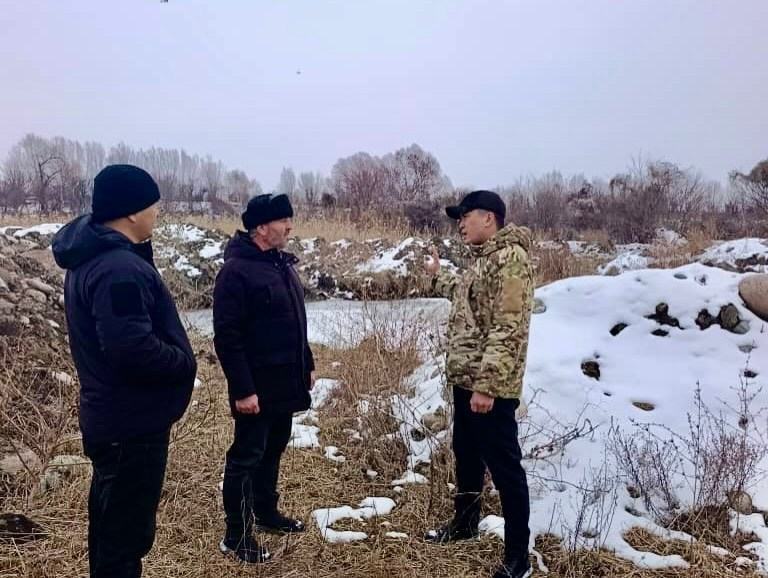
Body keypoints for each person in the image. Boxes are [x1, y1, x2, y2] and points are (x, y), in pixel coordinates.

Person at [51, 164, 197, 578]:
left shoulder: (96, 258)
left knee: (111, 529)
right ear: (132, 212)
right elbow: (130, 347)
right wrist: (182, 363)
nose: (157, 212)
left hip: (115, 421)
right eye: (153, 205)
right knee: (124, 540)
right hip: (131, 427)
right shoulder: (118, 268)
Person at [424, 190, 534, 578]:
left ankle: (518, 558)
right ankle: (465, 524)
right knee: (467, 454)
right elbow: (464, 296)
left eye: (465, 216)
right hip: (467, 381)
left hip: (490, 388)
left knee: (505, 470)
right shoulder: (484, 259)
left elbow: (509, 327)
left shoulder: (512, 259)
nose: (460, 224)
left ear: (488, 218)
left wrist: (487, 386)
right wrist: (438, 277)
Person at [213, 193, 315, 564]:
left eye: (289, 219)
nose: (290, 226)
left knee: (274, 448)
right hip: (256, 386)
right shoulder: (236, 272)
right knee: (247, 457)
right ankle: (236, 535)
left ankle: (265, 512)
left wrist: (307, 362)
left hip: (284, 381)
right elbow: (227, 337)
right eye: (283, 220)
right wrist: (243, 389)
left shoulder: (281, 265)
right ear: (260, 227)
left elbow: (295, 321)